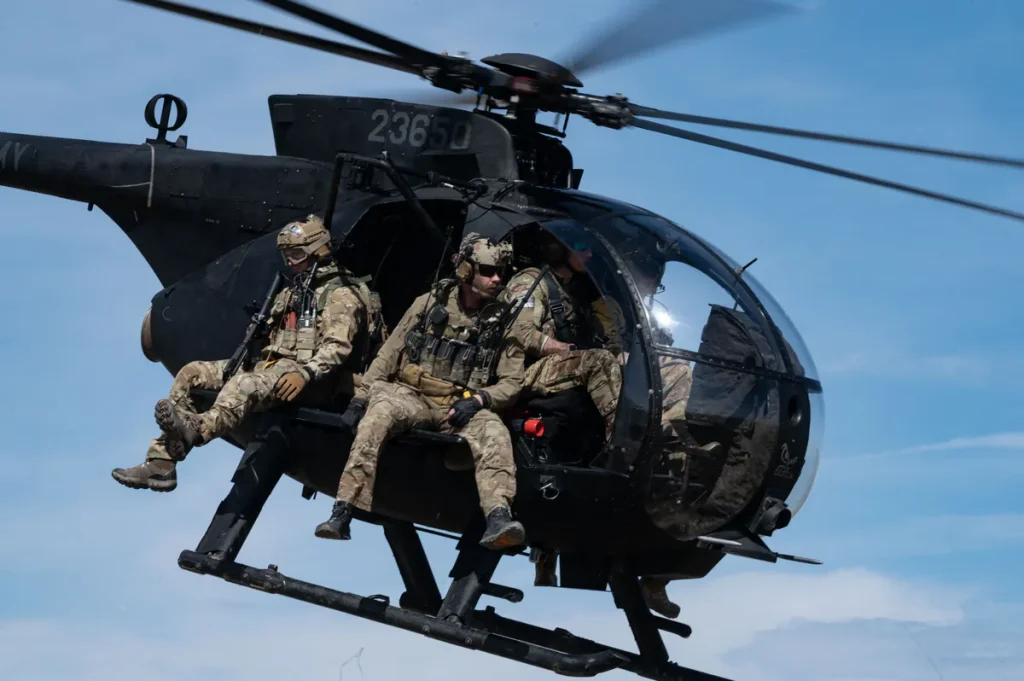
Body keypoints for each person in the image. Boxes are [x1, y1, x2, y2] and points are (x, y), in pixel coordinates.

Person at [111, 214, 380, 492]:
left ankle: (198, 429)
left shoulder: (341, 295)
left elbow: (336, 348)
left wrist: (305, 373)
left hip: (313, 380)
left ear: (318, 252)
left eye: (297, 255)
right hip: (273, 366)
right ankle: (161, 463)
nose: (290, 262)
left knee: (243, 385)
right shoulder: (295, 291)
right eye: (287, 256)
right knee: (192, 373)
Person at [313, 232, 528, 550]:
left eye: (500, 273)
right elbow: (388, 355)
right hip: (411, 394)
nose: (497, 279)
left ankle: (498, 517)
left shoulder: (506, 321)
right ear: (466, 270)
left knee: (494, 432)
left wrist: (481, 399)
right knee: (378, 415)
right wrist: (361, 399)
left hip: (459, 405)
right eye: (487, 271)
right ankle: (343, 510)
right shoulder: (428, 304)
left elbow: (512, 383)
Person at [501, 231, 624, 444]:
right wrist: (570, 349)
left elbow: (596, 339)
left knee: (668, 369)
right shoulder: (530, 282)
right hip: (526, 371)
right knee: (598, 360)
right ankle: (620, 442)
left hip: (557, 367)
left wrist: (622, 356)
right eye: (581, 246)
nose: (589, 254)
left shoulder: (572, 293)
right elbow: (522, 334)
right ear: (559, 249)